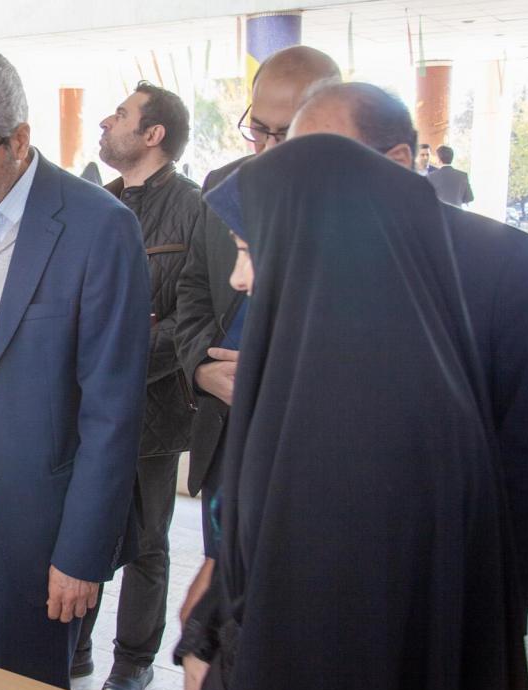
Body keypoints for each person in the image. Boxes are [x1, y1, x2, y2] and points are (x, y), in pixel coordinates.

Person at [180, 134, 528, 690]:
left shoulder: (349, 417)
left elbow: (315, 620)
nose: (239, 278)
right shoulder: (374, 367)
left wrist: (223, 675)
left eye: (250, 250)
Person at [0, 49, 150, 688]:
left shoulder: (99, 228)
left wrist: (81, 554)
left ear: (18, 140)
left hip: (33, 527)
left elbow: (113, 413)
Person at [289, 81, 528, 614]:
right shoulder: (302, 261)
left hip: (449, 579)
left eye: (323, 164)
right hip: (317, 577)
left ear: (396, 161)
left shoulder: (509, 263)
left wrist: (501, 599)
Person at [174, 44, 341, 622]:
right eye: (258, 130)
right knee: (226, 597)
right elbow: (193, 292)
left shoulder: (362, 206)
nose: (267, 150)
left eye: (285, 133)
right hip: (227, 433)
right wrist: (201, 368)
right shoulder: (223, 186)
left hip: (317, 449)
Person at [73, 80, 200, 690]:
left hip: (154, 409)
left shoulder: (194, 209)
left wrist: (118, 355)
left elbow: (194, 318)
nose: (106, 121)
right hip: (88, 410)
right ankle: (75, 644)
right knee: (86, 524)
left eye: (120, 115)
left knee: (147, 542)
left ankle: (133, 661)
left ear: (153, 134)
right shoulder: (98, 203)